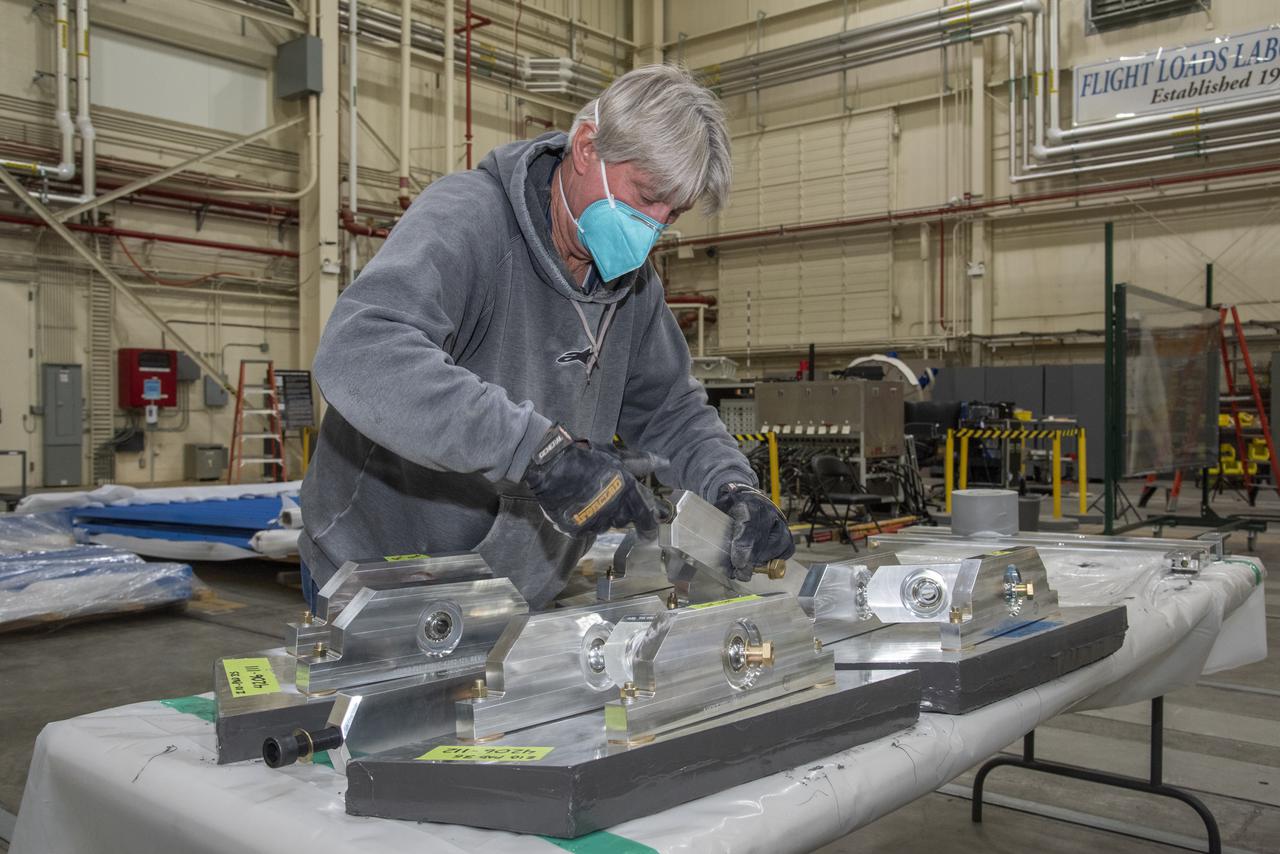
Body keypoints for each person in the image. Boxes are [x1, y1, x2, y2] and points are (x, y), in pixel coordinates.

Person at [299, 64, 794, 610]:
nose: (652, 228)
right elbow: (362, 350)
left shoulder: (633, 288)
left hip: (512, 589)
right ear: (586, 147)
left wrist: (732, 487)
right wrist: (537, 453)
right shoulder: (470, 220)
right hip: (383, 572)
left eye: (671, 213)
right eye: (646, 196)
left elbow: (670, 411)